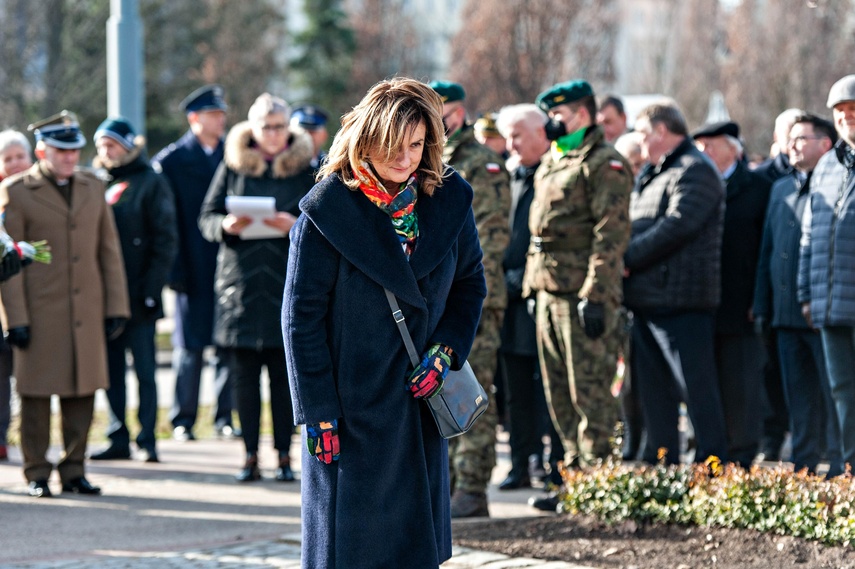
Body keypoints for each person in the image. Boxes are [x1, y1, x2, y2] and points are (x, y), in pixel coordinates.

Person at [283, 77, 486, 568]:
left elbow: (470, 285)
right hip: (350, 411)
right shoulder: (327, 212)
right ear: (365, 137)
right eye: (394, 145)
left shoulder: (448, 200)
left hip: (420, 401)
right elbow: (300, 320)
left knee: (413, 549)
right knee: (350, 550)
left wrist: (445, 351)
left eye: (417, 144)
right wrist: (317, 411)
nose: (405, 157)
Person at [0, 111, 130, 497]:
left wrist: (116, 306)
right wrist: (14, 318)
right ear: (42, 151)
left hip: (86, 310)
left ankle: (74, 470)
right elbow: (9, 263)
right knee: (36, 397)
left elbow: (108, 251)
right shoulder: (18, 191)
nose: (70, 158)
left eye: (74, 150)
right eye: (61, 151)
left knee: (82, 393)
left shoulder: (93, 186)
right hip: (39, 312)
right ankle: (37, 471)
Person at [524, 80, 632, 512]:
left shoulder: (604, 163)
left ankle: (598, 487)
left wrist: (596, 294)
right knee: (559, 395)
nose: (553, 123)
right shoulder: (556, 158)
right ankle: (573, 482)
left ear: (583, 115)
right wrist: (534, 285)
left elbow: (611, 234)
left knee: (590, 394)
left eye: (559, 114)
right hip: (548, 290)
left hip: (582, 294)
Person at [199, 93, 314, 482]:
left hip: (287, 286)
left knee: (284, 381)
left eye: (279, 126)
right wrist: (225, 227)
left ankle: (284, 456)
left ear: (289, 128)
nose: (273, 134)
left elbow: (323, 221)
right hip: (241, 289)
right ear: (252, 128)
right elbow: (207, 218)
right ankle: (249, 455)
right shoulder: (233, 164)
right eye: (266, 126)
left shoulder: (304, 168)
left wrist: (295, 224)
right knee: (244, 381)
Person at [624, 100, 729, 466]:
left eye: (641, 134)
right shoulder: (652, 172)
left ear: (661, 131)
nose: (638, 143)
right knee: (655, 396)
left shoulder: (695, 170)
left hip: (682, 303)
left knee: (695, 391)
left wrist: (627, 259)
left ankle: (712, 471)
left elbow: (677, 225)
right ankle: (664, 467)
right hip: (648, 300)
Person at [429, 80, 510, 518]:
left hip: (473, 297)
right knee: (440, 386)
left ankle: (473, 486)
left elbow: (493, 240)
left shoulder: (481, 164)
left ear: (454, 115)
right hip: (437, 296)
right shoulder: (426, 160)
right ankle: (452, 481)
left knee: (471, 385)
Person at [755, 112, 842, 476]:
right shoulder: (781, 189)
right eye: (790, 139)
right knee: (799, 398)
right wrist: (761, 303)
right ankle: (805, 467)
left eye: (801, 139)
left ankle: (840, 466)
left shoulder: (837, 185)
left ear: (825, 143)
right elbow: (768, 251)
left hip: (824, 313)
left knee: (834, 395)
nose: (792, 145)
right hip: (786, 316)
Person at [89, 118, 178, 464]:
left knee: (144, 372)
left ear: (128, 146)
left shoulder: (151, 181)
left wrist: (151, 288)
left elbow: (165, 239)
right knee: (111, 372)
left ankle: (148, 438)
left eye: (111, 145)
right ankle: (117, 436)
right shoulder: (95, 182)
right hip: (105, 296)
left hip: (141, 293)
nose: (105, 152)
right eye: (100, 146)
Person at [153, 84, 236, 441]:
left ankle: (224, 418)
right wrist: (173, 271)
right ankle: (183, 420)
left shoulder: (233, 155)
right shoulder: (171, 161)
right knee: (190, 348)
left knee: (228, 346)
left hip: (228, 264)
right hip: (190, 265)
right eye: (213, 115)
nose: (221, 121)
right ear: (194, 119)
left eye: (221, 114)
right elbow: (165, 222)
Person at [693, 120, 772, 467]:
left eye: (712, 145)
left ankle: (742, 456)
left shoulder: (758, 187)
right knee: (706, 384)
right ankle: (712, 453)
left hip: (742, 304)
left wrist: (760, 297)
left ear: (733, 149)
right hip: (701, 302)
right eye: (701, 146)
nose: (705, 152)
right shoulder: (698, 184)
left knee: (741, 384)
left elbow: (767, 250)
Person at [493, 103, 561, 491]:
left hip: (540, 295)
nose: (511, 143)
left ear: (540, 133)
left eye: (518, 135)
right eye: (508, 136)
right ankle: (520, 463)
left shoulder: (552, 174)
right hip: (508, 298)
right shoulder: (508, 176)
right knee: (514, 388)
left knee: (545, 386)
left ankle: (552, 465)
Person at [798, 74, 855, 471]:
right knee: (842, 393)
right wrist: (806, 293)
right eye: (840, 113)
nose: (847, 119)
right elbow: (808, 235)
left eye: (854, 111)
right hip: (831, 304)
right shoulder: (826, 168)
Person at [752, 108, 803, 462]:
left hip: (803, 294)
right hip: (772, 290)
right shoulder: (763, 181)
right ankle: (772, 438)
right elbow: (761, 243)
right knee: (770, 372)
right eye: (787, 134)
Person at [0, 129, 32, 462]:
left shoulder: (42, 190)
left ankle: (29, 439)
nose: (13, 163)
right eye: (7, 159)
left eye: (18, 156)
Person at [290, 103, 329, 170]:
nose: (307, 136)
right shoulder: (280, 163)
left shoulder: (331, 165)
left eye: (312, 132)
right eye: (302, 131)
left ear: (324, 135)